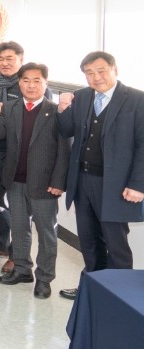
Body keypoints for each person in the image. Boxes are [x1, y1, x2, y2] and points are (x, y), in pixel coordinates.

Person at [57, 51, 144, 300]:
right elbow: (67, 130)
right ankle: (92, 288)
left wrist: (138, 184)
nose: (96, 77)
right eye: (89, 73)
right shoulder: (83, 96)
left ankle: (119, 295)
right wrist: (63, 109)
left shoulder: (137, 99)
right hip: (83, 180)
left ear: (115, 69)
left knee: (116, 243)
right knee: (89, 240)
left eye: (101, 71)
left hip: (116, 184)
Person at [0, 63, 70, 299]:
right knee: (19, 228)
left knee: (46, 233)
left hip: (45, 184)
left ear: (46, 83)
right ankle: (23, 270)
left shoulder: (56, 111)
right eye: (26, 80)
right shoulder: (10, 107)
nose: (31, 85)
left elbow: (65, 150)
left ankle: (44, 278)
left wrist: (59, 182)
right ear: (19, 83)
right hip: (15, 180)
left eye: (37, 81)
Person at [0, 41, 51, 272]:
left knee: (18, 207)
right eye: (0, 59)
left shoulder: (31, 85)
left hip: (18, 156)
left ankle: (16, 253)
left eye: (9, 58)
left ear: (21, 59)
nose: (4, 63)